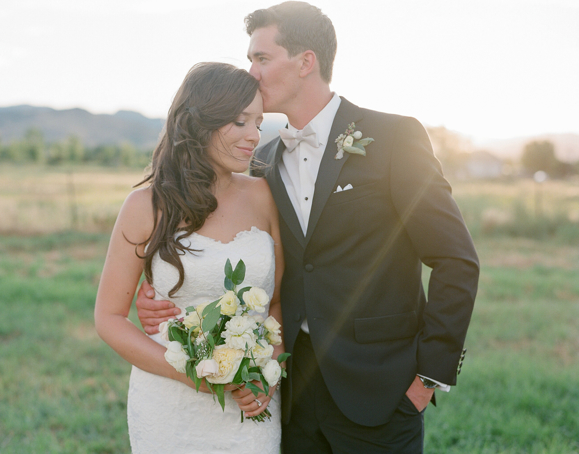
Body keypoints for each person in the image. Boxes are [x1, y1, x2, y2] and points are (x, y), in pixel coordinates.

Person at [136, 2, 480, 452]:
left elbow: (455, 259)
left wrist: (428, 378)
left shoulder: (395, 137)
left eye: (261, 58)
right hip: (291, 392)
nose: (251, 73)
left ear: (305, 62)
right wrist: (165, 299)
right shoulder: (265, 161)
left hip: (380, 390)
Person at [94, 62, 285, 453]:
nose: (255, 135)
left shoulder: (263, 196)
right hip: (169, 404)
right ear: (200, 124)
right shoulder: (145, 205)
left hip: (251, 404)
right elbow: (109, 318)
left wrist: (266, 376)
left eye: (259, 122)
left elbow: (278, 301)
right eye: (240, 121)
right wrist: (197, 375)